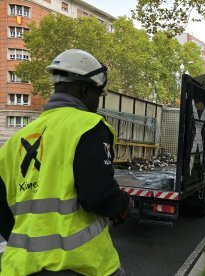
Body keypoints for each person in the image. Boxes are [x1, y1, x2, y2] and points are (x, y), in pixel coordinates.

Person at [0, 49, 134, 275]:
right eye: (97, 96)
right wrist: (123, 205)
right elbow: (99, 196)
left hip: (20, 266)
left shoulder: (16, 141)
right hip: (83, 264)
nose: (97, 105)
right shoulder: (87, 126)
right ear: (84, 89)